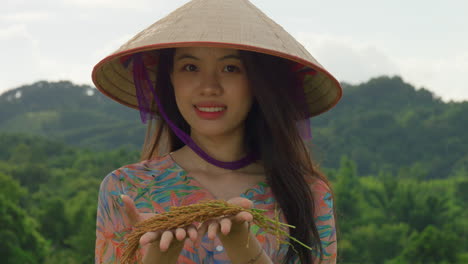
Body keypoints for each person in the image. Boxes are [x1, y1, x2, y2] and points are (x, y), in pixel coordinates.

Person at [92, 0, 342, 263]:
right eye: (190, 67)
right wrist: (159, 257)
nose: (209, 87)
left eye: (230, 68)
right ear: (171, 78)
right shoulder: (126, 188)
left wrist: (241, 244)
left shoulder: (308, 194)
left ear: (259, 83)